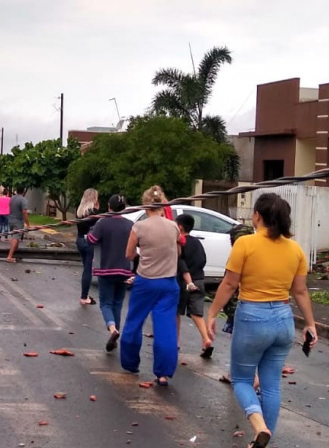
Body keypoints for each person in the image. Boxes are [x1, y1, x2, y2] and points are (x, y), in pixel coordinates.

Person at [206, 193, 318, 448]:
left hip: (253, 317)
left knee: (242, 380)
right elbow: (300, 291)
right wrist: (310, 324)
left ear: (257, 216)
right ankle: (264, 439)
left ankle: (258, 427)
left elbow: (229, 284)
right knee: (271, 386)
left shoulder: (245, 244)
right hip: (283, 318)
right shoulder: (296, 249)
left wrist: (212, 313)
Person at [121, 186, 180, 382]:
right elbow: (178, 252)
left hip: (146, 281)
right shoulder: (173, 227)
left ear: (146, 206)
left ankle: (130, 364)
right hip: (169, 283)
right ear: (163, 205)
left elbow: (129, 254)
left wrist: (142, 252)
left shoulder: (139, 227)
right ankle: (163, 373)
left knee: (134, 322)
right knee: (165, 328)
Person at [87, 194, 134, 352]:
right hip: (124, 270)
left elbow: (91, 240)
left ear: (109, 207)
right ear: (124, 208)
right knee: (118, 304)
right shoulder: (130, 225)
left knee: (105, 303)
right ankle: (115, 337)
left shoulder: (103, 223)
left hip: (106, 269)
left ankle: (113, 330)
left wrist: (91, 230)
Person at [175, 213, 212, 358]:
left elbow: (179, 261)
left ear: (180, 227)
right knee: (196, 313)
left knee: (176, 312)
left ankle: (176, 341)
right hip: (199, 279)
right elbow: (203, 259)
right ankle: (206, 339)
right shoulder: (197, 242)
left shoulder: (181, 243)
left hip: (183, 282)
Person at [75, 188, 100, 305]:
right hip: (89, 242)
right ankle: (84, 296)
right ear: (94, 198)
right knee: (88, 270)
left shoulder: (79, 211)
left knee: (86, 267)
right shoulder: (93, 213)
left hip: (80, 240)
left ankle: (85, 294)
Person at [5, 186, 30, 262]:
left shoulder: (12, 198)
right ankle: (9, 256)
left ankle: (17, 254)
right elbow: (24, 212)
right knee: (15, 238)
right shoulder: (23, 200)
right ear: (23, 191)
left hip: (10, 220)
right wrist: (28, 224)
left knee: (17, 237)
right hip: (18, 221)